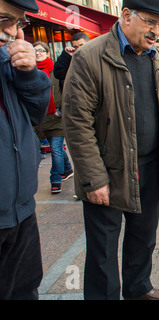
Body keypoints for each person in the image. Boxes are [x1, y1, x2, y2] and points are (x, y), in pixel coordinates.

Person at [62, 0, 159, 300]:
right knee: (103, 247)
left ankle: (139, 288)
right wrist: (94, 179)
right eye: (150, 22)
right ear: (126, 15)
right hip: (109, 170)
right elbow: (77, 122)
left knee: (143, 237)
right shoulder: (91, 56)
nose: (156, 31)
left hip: (150, 165)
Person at [0, 0, 52, 300]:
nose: (12, 31)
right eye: (4, 19)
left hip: (21, 208)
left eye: (19, 23)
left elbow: (36, 115)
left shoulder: (9, 63)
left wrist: (30, 74)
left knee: (25, 288)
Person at [33, 41, 73, 194]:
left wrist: (61, 111)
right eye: (35, 50)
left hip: (56, 119)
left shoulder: (56, 70)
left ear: (48, 53)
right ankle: (68, 169)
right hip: (38, 121)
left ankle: (55, 179)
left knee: (56, 149)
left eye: (41, 51)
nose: (38, 53)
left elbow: (67, 91)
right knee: (56, 150)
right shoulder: (29, 72)